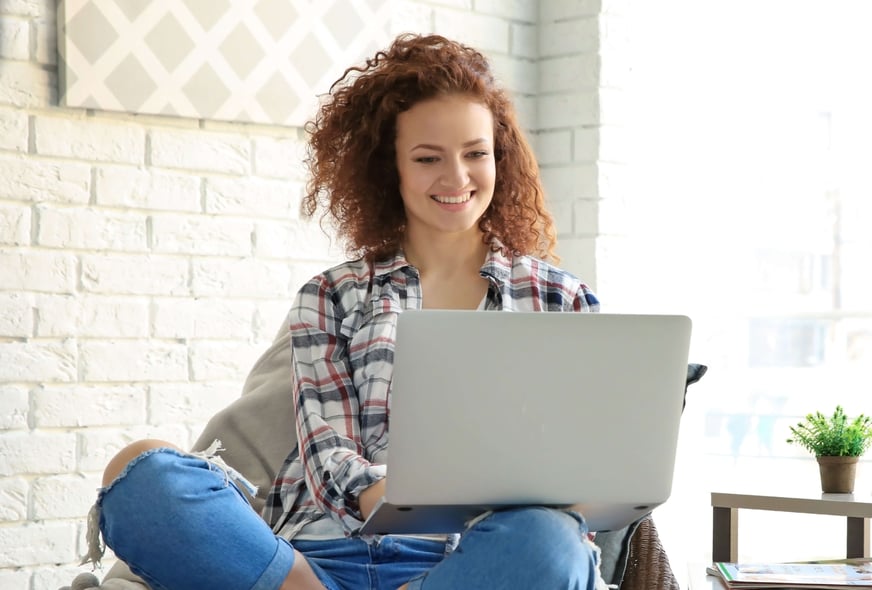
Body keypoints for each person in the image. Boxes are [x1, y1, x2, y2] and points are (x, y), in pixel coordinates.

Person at [88, 33, 606, 590]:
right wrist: (391, 494)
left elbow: (582, 467)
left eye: (476, 154)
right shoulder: (331, 296)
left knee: (552, 543)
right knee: (142, 472)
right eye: (428, 158)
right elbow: (327, 450)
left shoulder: (559, 299)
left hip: (462, 564)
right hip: (313, 560)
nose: (457, 178)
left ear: (498, 157)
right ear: (392, 169)